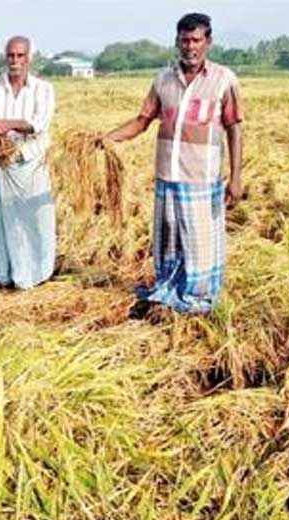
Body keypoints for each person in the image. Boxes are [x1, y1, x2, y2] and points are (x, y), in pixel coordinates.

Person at [100, 13, 244, 313]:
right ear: (177, 41)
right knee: (169, 240)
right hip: (168, 175)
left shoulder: (223, 80)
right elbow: (142, 121)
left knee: (200, 243)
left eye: (196, 40)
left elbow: (234, 127)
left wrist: (236, 177)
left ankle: (197, 298)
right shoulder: (163, 79)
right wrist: (107, 139)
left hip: (201, 177)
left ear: (208, 42)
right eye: (184, 40)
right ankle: (170, 289)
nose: (190, 46)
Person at [0, 36, 56, 289]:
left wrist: (6, 124)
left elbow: (38, 124)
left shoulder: (43, 89)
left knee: (34, 221)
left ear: (29, 58)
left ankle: (35, 275)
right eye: (11, 55)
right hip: (2, 165)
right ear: (5, 57)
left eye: (20, 56)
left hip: (31, 164)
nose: (15, 61)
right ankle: (1, 274)